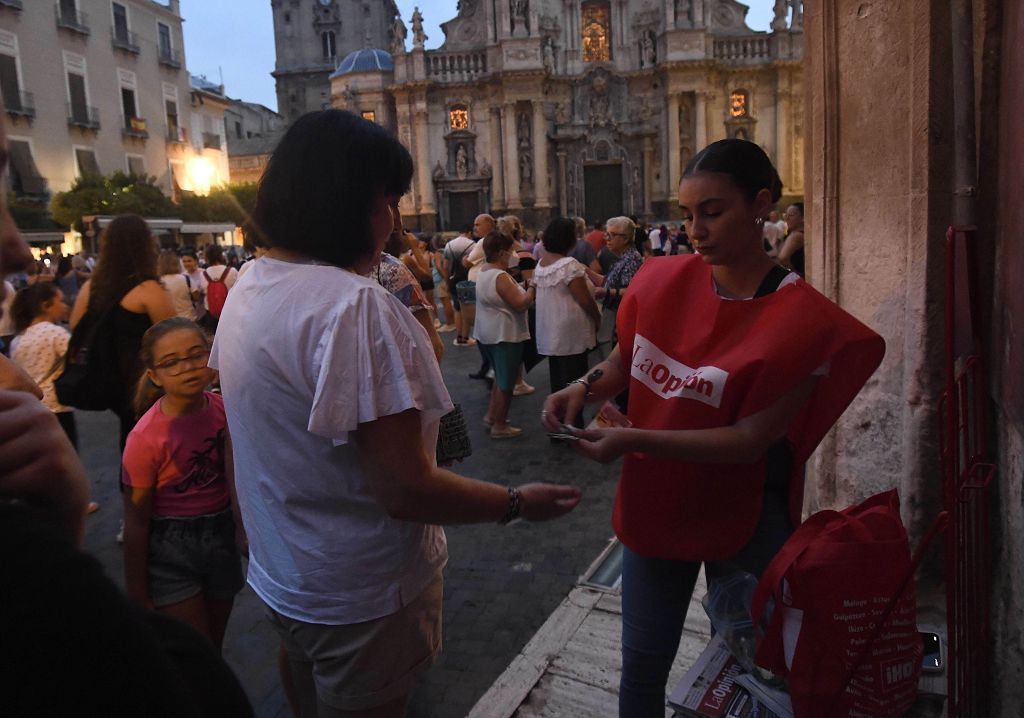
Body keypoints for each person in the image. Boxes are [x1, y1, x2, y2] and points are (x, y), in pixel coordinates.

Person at [211, 110, 580, 718]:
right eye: (389, 201)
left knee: (302, 678)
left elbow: (240, 432)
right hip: (360, 594)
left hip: (286, 576)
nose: (395, 221)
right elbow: (404, 488)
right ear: (349, 203)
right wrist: (516, 503)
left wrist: (250, 524)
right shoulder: (354, 308)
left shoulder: (251, 282)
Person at [541, 139, 885, 716]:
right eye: (687, 214)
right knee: (642, 665)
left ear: (762, 204)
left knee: (766, 669)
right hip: (658, 504)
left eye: (713, 211)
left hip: (745, 515)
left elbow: (750, 439)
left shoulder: (805, 323)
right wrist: (584, 387)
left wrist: (632, 440)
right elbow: (628, 356)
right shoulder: (662, 280)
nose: (696, 230)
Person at [122, 318, 244, 652]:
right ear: (153, 376)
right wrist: (137, 593)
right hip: (171, 548)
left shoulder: (225, 410)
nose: (187, 367)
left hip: (221, 538)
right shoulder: (145, 438)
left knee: (213, 645)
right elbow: (136, 521)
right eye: (171, 362)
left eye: (195, 355)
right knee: (193, 650)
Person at [69, 215, 176, 450]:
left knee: (130, 441)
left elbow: (76, 328)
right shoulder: (149, 290)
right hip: (145, 384)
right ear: (146, 245)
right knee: (154, 445)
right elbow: (174, 337)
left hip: (109, 380)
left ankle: (130, 482)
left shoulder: (91, 288)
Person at [534, 216, 601, 429]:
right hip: (571, 332)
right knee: (575, 383)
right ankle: (573, 426)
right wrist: (597, 317)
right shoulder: (568, 265)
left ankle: (557, 425)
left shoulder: (541, 265)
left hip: (550, 330)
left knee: (557, 382)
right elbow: (584, 299)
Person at [473, 231, 535, 438]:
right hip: (505, 335)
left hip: (488, 333)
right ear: (501, 253)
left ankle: (492, 415)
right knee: (507, 383)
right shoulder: (500, 276)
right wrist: (532, 288)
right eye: (510, 250)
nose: (514, 254)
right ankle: (500, 425)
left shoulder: (484, 270)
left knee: (500, 378)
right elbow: (520, 304)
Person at [9, 283, 79, 449]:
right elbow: (75, 358)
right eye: (60, 301)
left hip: (31, 406)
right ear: (46, 306)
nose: (64, 306)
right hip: (57, 405)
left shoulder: (18, 339)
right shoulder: (55, 333)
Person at [593, 216, 643, 348]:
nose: (607, 239)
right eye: (607, 234)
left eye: (612, 235)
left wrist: (605, 291)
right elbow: (611, 281)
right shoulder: (622, 257)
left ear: (625, 238)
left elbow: (630, 292)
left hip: (622, 319)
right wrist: (587, 271)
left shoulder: (631, 259)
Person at [444, 223, 477, 346]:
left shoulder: (449, 245)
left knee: (457, 309)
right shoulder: (473, 245)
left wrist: (447, 282)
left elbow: (446, 266)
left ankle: (458, 337)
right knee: (467, 308)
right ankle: (466, 337)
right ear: (469, 233)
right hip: (467, 279)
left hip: (453, 279)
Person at [200, 244, 238, 332]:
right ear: (221, 255)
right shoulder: (232, 271)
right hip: (229, 311)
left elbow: (203, 291)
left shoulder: (203, 274)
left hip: (210, 313)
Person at [158, 250, 195, 320]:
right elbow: (196, 297)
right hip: (188, 318)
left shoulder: (158, 282)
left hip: (169, 321)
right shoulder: (186, 278)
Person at [430, 236, 457, 332]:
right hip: (445, 278)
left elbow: (439, 267)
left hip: (440, 279)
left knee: (446, 302)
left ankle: (450, 324)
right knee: (448, 301)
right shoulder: (446, 252)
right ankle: (452, 322)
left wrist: (445, 279)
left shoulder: (438, 253)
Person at [179, 249, 207, 325]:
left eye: (189, 261)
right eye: (184, 261)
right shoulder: (182, 277)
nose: (187, 263)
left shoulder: (204, 273)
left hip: (205, 312)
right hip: (190, 314)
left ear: (196, 261)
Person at [778, 202, 805, 276]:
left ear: (803, 217)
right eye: (786, 215)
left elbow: (783, 258)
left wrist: (794, 273)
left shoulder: (796, 235)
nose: (787, 218)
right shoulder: (795, 233)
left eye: (791, 215)